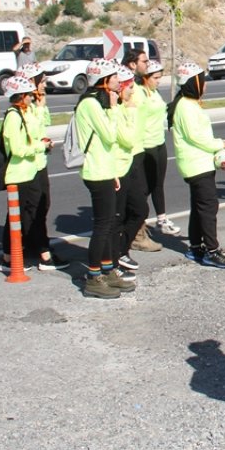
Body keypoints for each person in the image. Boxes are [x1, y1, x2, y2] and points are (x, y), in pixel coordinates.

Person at [74, 59, 135, 299]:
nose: (118, 83)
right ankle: (93, 276)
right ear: (103, 81)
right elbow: (109, 137)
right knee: (102, 226)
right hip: (95, 172)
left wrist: (114, 172)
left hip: (105, 170)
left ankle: (108, 270)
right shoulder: (90, 104)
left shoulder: (97, 103)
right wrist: (112, 109)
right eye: (114, 79)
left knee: (110, 224)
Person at [171, 63, 225, 269]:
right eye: (202, 81)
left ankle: (196, 246)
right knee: (208, 208)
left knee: (199, 207)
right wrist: (219, 144)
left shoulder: (188, 103)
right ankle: (212, 251)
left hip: (197, 163)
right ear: (193, 83)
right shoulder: (186, 107)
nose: (205, 86)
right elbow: (196, 136)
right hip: (196, 164)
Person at [0, 76, 59, 273]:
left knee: (32, 214)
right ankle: (12, 257)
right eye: (29, 95)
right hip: (19, 173)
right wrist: (39, 146)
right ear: (21, 95)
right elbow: (17, 148)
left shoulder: (24, 112)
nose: (32, 97)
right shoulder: (13, 116)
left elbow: (37, 129)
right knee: (22, 217)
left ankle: (26, 253)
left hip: (29, 170)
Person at [137, 61, 178, 243]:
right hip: (146, 144)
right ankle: (137, 220)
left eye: (160, 78)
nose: (158, 81)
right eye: (155, 78)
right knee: (145, 186)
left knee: (158, 183)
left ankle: (162, 219)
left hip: (159, 141)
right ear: (145, 78)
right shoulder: (138, 94)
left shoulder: (154, 92)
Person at [112, 68, 148, 275]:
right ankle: (114, 258)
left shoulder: (130, 105)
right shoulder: (117, 109)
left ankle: (121, 249)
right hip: (119, 164)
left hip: (134, 157)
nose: (133, 92)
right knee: (118, 214)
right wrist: (131, 110)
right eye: (130, 87)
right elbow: (127, 138)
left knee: (139, 210)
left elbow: (136, 136)